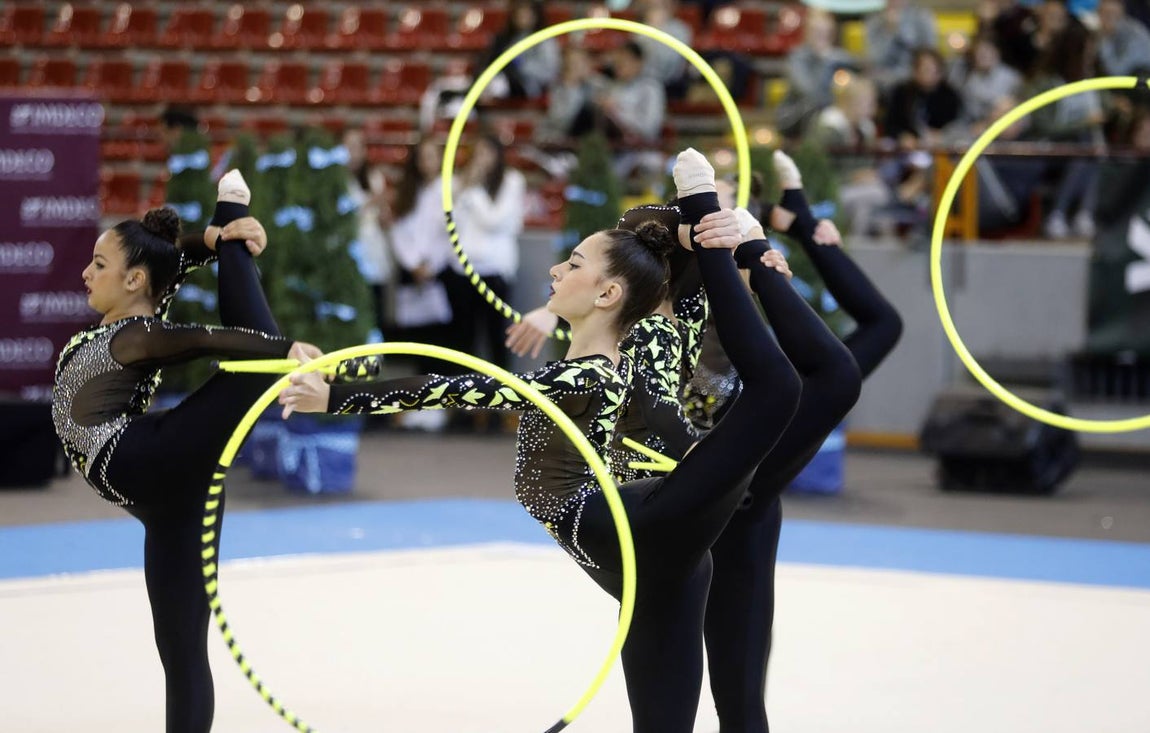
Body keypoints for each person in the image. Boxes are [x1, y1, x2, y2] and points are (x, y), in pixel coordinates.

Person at [280, 149, 808, 732]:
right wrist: (684, 229)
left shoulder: (590, 372)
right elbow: (637, 235)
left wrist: (337, 395)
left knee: (780, 390)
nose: (555, 271)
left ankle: (727, 229)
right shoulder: (641, 343)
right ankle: (722, 232)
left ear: (606, 295)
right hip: (656, 560)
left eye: (572, 263)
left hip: (643, 524)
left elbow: (456, 385)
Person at [52, 172, 317, 733]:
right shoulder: (131, 309)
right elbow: (167, 260)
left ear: (133, 279)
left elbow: (199, 339)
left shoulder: (136, 333)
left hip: (147, 459)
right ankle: (231, 217)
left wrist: (282, 348)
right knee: (180, 649)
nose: (85, 273)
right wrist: (214, 240)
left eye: (98, 265)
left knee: (253, 373)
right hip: (166, 497)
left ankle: (232, 205)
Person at [445, 132, 526, 372]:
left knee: (497, 339)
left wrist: (474, 190)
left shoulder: (512, 181)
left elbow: (495, 221)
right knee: (463, 340)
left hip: (495, 271)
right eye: (477, 153)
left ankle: (500, 404)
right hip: (464, 271)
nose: (481, 159)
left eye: (486, 152)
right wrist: (465, 188)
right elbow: (449, 223)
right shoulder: (460, 182)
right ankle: (463, 403)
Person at [343, 127, 394, 339]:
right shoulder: (335, 182)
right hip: (348, 259)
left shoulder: (375, 178)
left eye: (357, 147)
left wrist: (383, 207)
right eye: (347, 147)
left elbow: (386, 222)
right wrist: (369, 203)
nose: (352, 153)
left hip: (374, 257)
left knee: (376, 313)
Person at [475, 0, 560, 100]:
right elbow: (490, 62)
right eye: (519, 14)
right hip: (503, 80)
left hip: (529, 86)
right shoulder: (505, 39)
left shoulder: (545, 40)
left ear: (535, 15)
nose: (522, 18)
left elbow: (548, 73)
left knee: (497, 85)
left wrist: (520, 64)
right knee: (486, 82)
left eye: (526, 14)